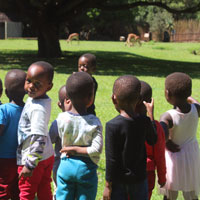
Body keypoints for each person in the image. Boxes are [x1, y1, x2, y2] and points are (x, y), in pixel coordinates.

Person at [103, 75, 157, 200]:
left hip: (118, 181)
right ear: (139, 100)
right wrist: (151, 117)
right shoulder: (145, 121)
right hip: (140, 179)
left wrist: (107, 186)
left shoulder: (112, 125)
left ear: (113, 99)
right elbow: (153, 140)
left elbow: (111, 160)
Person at [56, 72, 103, 200]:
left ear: (68, 97)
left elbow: (53, 136)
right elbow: (96, 150)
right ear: (90, 98)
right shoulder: (94, 122)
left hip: (65, 165)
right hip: (86, 169)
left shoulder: (61, 118)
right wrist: (77, 149)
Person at [17, 61, 55, 200]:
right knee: (44, 187)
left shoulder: (38, 108)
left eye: (37, 84)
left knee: (26, 191)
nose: (31, 86)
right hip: (46, 155)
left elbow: (39, 138)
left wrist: (30, 165)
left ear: (49, 86)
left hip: (33, 158)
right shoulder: (41, 99)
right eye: (29, 81)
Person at [159, 72, 200, 200]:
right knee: (191, 192)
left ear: (167, 93)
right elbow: (197, 104)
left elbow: (162, 135)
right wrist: (189, 98)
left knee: (170, 191)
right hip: (192, 156)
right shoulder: (196, 109)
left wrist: (167, 142)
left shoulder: (168, 116)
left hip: (174, 157)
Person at [135, 80, 166, 200]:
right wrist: (162, 177)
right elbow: (160, 154)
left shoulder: (124, 123)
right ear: (150, 102)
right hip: (147, 173)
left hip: (125, 173)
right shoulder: (156, 126)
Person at [0, 69, 26, 200]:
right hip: (20, 158)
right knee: (17, 187)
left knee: (2, 188)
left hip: (3, 158)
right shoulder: (28, 110)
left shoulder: (3, 110)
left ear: (6, 92)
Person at [49, 85, 71, 198]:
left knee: (59, 191)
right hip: (78, 165)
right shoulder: (87, 121)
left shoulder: (57, 123)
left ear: (59, 104)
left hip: (59, 165)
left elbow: (50, 140)